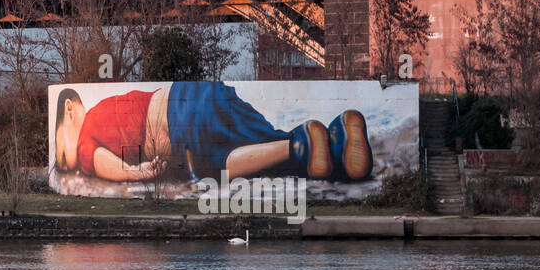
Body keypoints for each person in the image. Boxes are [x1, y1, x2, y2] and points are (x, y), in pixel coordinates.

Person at [53, 82, 372, 183]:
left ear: (70, 107)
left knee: (211, 168)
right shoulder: (110, 105)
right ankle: (334, 140)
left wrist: (136, 173)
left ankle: (299, 144)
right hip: (201, 93)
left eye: (62, 153)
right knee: (261, 143)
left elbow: (102, 163)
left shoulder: (86, 136)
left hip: (181, 117)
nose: (67, 160)